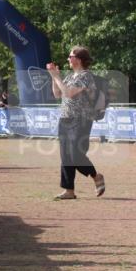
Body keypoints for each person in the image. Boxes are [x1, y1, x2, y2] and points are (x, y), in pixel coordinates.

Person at [47, 46, 104, 200]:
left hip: (81, 119)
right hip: (65, 119)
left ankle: (96, 176)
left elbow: (68, 93)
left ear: (78, 59)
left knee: (75, 154)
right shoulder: (70, 76)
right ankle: (69, 191)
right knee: (65, 156)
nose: (68, 59)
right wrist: (54, 77)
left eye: (70, 56)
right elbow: (57, 94)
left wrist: (56, 77)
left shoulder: (86, 76)